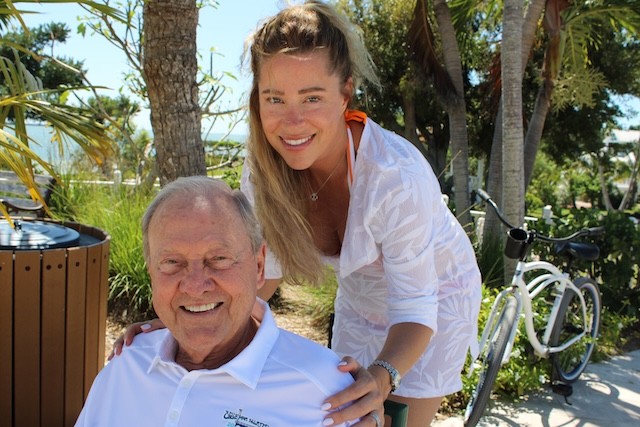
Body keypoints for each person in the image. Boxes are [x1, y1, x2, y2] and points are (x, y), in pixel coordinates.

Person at [112, 2, 481, 426]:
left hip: (433, 301)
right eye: (275, 98)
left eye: (312, 98)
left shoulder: (395, 177)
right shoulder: (263, 173)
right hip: (360, 299)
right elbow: (261, 274)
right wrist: (184, 314)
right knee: (349, 413)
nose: (292, 121)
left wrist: (384, 377)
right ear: (257, 99)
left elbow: (416, 305)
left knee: (395, 418)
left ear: (345, 93)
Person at [77, 176, 359, 426]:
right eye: (172, 262)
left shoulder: (325, 392)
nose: (195, 287)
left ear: (259, 266)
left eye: (219, 259)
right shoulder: (127, 365)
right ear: (151, 271)